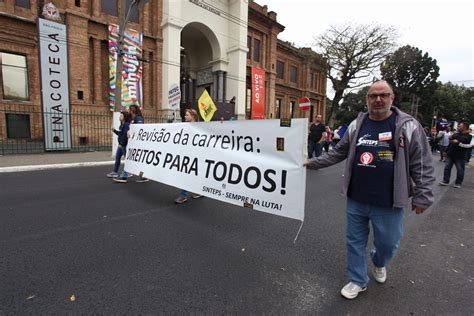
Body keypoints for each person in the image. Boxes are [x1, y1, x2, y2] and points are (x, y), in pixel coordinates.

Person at [305, 80, 435, 300]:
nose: (378, 100)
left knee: (388, 244)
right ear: (366, 99)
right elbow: (338, 152)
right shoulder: (357, 125)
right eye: (373, 95)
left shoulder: (408, 125)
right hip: (356, 198)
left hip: (389, 202)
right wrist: (311, 162)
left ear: (392, 98)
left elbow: (422, 163)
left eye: (383, 95)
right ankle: (358, 279)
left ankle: (379, 262)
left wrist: (423, 196)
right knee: (354, 241)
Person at [113, 104, 149, 183]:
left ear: (133, 110)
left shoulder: (138, 118)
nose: (129, 111)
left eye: (130, 109)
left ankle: (124, 176)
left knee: (131, 160)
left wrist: (131, 133)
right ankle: (143, 176)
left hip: (138, 144)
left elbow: (140, 129)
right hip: (132, 144)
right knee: (132, 160)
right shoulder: (132, 119)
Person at [174, 108, 203, 204]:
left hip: (195, 154)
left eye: (187, 115)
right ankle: (199, 191)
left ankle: (183, 195)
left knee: (187, 173)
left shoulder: (200, 127)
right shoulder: (184, 126)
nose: (184, 116)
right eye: (185, 115)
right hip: (185, 153)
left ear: (193, 116)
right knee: (191, 174)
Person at [439, 121, 472, 188]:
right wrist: (446, 151)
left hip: (460, 156)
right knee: (447, 168)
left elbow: (463, 140)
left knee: (460, 170)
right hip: (450, 154)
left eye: (460, 126)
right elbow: (451, 139)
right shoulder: (456, 134)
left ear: (464, 127)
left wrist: (457, 140)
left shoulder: (469, 136)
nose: (458, 127)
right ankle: (445, 181)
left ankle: (458, 183)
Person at [107, 111, 132, 178]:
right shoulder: (122, 125)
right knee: (117, 158)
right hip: (120, 145)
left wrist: (122, 144)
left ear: (124, 117)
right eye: (119, 116)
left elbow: (125, 136)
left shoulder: (126, 124)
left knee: (127, 160)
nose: (119, 117)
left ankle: (128, 172)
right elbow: (120, 134)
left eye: (121, 116)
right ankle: (115, 172)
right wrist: (114, 130)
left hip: (123, 145)